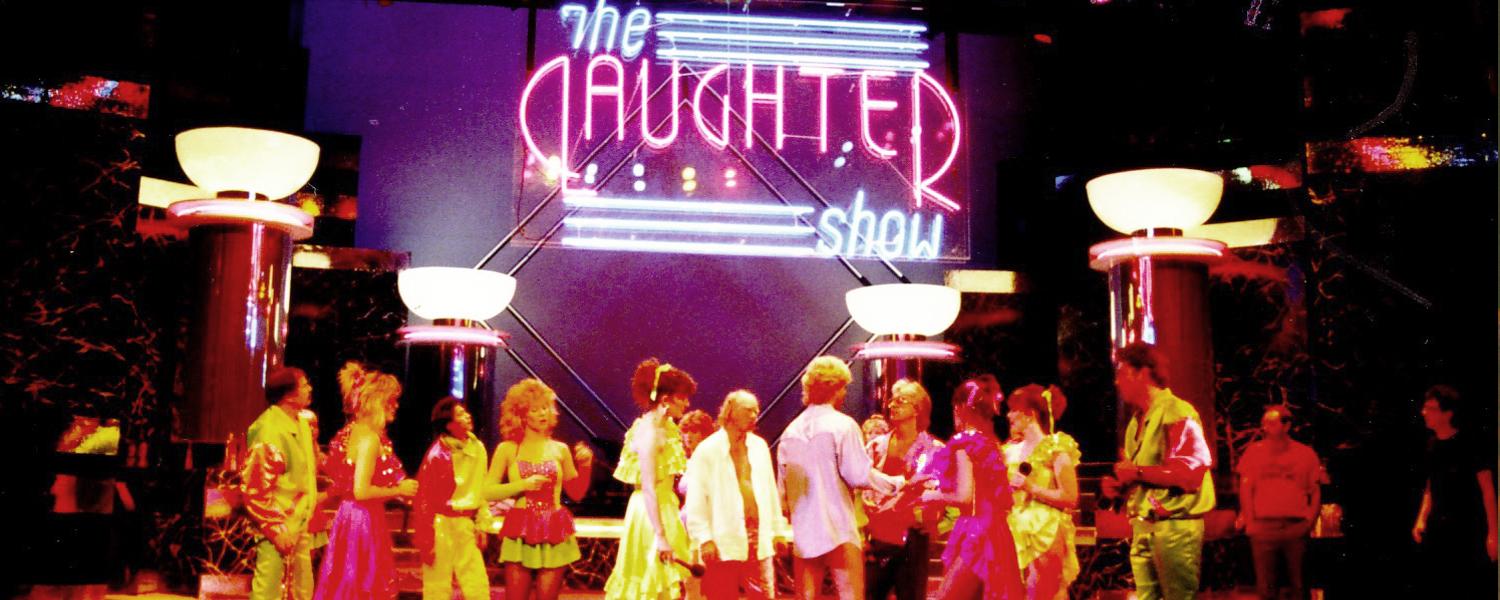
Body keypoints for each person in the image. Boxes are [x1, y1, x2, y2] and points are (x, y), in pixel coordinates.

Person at [777, 355, 902, 600]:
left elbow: (783, 491)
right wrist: (896, 484)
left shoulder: (790, 432)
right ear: (834, 388)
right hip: (839, 527)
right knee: (850, 594)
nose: (845, 393)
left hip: (805, 530)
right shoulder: (843, 425)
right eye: (844, 387)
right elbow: (858, 474)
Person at [1100, 342, 1215, 600]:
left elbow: (1190, 476)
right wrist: (1120, 488)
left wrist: (1136, 473)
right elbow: (1142, 476)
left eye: (1122, 373)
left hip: (1174, 527)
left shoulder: (1178, 412)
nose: (1117, 382)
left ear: (1143, 373)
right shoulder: (1135, 422)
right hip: (1143, 526)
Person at [314, 362, 418, 600]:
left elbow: (346, 482)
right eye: (392, 401)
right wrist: (398, 489)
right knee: (362, 583)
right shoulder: (370, 439)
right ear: (377, 402)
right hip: (363, 518)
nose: (396, 406)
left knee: (345, 581)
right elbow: (361, 491)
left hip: (348, 515)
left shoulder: (351, 432)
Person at [915, 375, 1024, 600]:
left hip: (976, 532)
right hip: (998, 532)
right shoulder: (991, 443)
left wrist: (931, 495)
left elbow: (964, 497)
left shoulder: (964, 442)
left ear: (960, 407)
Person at [489, 379, 595, 600]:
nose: (542, 413)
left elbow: (576, 493)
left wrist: (585, 467)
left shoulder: (560, 449)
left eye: (545, 407)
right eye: (534, 409)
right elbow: (486, 491)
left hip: (553, 528)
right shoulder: (507, 449)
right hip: (521, 529)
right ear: (521, 415)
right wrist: (522, 485)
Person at [681, 390, 791, 599]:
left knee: (763, 594)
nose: (754, 415)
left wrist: (778, 530)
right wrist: (705, 538)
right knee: (721, 594)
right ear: (731, 411)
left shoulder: (759, 446)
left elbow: (769, 490)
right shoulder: (707, 450)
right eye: (748, 410)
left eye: (756, 411)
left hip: (758, 536)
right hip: (723, 537)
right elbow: (696, 500)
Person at [604, 359, 697, 599]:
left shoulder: (666, 428)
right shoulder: (649, 432)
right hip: (650, 513)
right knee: (650, 581)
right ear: (665, 400)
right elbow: (648, 488)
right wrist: (660, 536)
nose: (686, 404)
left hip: (663, 507)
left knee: (664, 585)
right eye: (682, 398)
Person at [1412, 384, 1498, 597]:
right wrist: (1421, 518)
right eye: (1425, 407)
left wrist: (1494, 533)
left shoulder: (1471, 444)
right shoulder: (1432, 445)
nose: (1424, 412)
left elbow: (1488, 492)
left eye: (1431, 408)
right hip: (1438, 528)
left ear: (1448, 413)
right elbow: (1430, 486)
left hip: (1466, 529)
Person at [241, 367, 319, 600]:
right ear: (289, 395)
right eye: (304, 385)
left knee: (302, 589)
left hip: (299, 520)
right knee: (269, 590)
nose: (309, 389)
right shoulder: (269, 430)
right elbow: (256, 489)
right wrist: (274, 528)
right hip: (278, 524)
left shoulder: (301, 423)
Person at [863, 379, 945, 600]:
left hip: (913, 538)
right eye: (892, 400)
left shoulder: (935, 450)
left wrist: (933, 519)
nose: (892, 405)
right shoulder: (875, 446)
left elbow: (942, 493)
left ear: (917, 409)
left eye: (901, 400)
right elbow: (862, 486)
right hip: (877, 536)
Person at [1003, 384, 1080, 600]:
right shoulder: (1010, 451)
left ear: (1030, 414)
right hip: (1014, 529)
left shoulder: (1055, 447)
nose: (1009, 415)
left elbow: (1070, 497)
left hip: (1045, 529)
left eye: (1014, 410)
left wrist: (1032, 488)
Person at [413, 398, 495, 600]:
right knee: (437, 587)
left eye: (466, 412)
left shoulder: (478, 448)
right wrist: (426, 539)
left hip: (465, 523)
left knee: (477, 585)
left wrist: (482, 523)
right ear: (449, 424)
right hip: (441, 524)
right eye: (460, 414)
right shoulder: (436, 455)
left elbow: (481, 488)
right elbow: (424, 499)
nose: (467, 416)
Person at [1236, 404, 1320, 600]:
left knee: (1299, 585)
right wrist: (1250, 521)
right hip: (1263, 527)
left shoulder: (1305, 454)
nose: (1266, 428)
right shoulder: (1254, 453)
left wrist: (1309, 522)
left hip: (1295, 526)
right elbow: (1246, 489)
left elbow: (1315, 491)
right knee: (1266, 586)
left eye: (1272, 423)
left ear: (1286, 425)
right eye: (1264, 423)